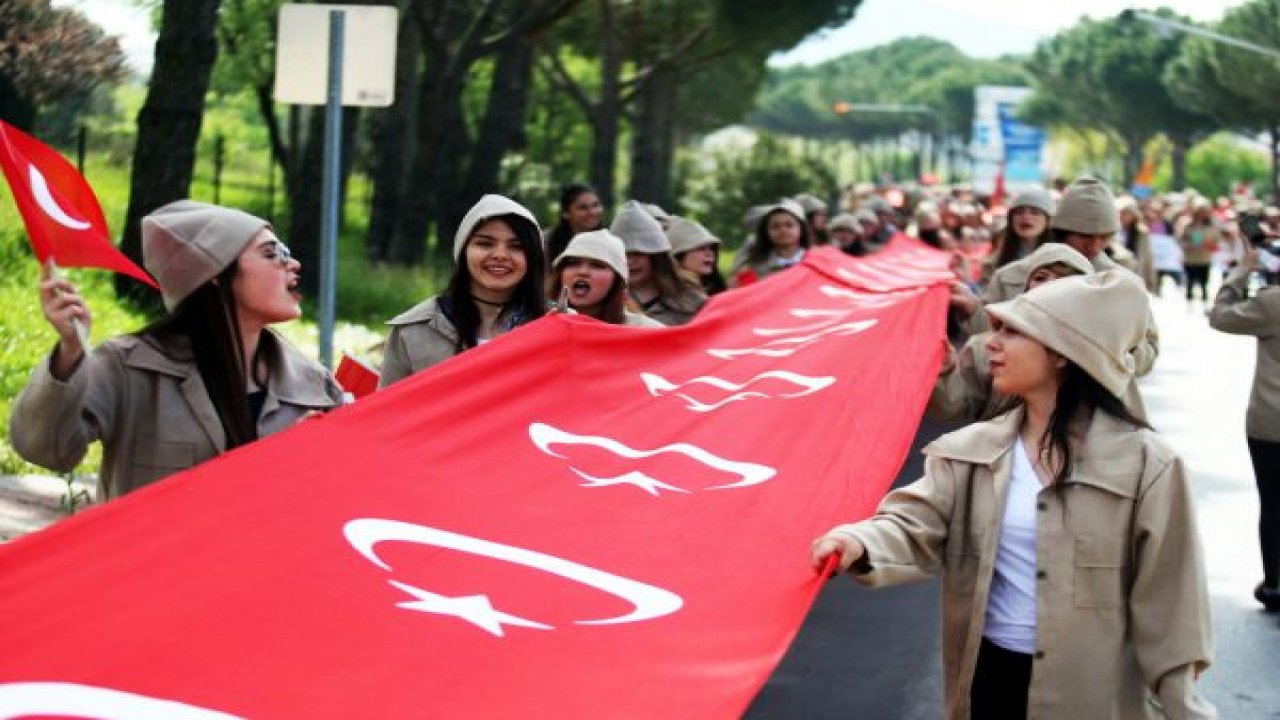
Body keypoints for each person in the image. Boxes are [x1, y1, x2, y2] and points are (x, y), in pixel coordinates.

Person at [811, 271, 1216, 720]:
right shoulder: (972, 450)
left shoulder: (1148, 465)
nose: (990, 343)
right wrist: (860, 543)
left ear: (1063, 353)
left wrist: (1181, 706)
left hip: (1094, 694)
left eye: (1011, 331)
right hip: (987, 680)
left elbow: (1173, 604)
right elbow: (913, 523)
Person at [9, 200, 344, 500]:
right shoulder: (128, 368)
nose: (293, 264)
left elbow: (339, 498)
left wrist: (310, 457)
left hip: (265, 567)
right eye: (272, 254)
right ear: (214, 275)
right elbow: (46, 450)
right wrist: (69, 354)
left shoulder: (315, 387)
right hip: (154, 568)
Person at [381, 194, 547, 386]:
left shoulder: (560, 327)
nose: (500, 255)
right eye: (485, 243)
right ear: (463, 250)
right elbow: (389, 412)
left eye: (517, 246)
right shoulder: (414, 331)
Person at [930, 244, 1093, 423]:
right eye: (1040, 277)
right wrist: (945, 373)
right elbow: (954, 407)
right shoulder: (986, 348)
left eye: (1064, 279)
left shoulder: (1097, 358)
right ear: (1026, 287)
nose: (1049, 285)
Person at [1208, 245, 1280, 612]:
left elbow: (1219, 316)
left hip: (1272, 421)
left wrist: (1241, 271)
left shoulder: (1272, 303)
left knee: (1273, 503)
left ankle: (1275, 582)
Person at [611, 201, 706, 326]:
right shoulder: (600, 302)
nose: (630, 261)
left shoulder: (691, 300)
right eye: (624, 254)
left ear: (657, 257)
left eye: (639, 253)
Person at [548, 230, 662, 327]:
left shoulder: (645, 331)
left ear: (617, 280)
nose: (582, 272)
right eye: (573, 263)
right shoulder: (538, 323)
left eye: (597, 265)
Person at [732, 198, 811, 286]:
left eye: (789, 225)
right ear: (766, 231)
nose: (783, 230)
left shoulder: (815, 260)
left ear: (801, 228)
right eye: (775, 226)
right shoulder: (754, 267)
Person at [982, 188, 1054, 284]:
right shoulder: (995, 260)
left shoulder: (1061, 258)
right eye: (1019, 212)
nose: (1025, 217)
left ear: (1048, 220)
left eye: (1035, 212)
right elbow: (985, 295)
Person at [543, 183, 604, 267]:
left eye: (595, 205)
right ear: (565, 213)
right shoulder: (545, 242)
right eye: (583, 208)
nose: (592, 212)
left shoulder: (609, 242)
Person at [667, 216, 727, 296]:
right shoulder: (671, 294)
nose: (710, 253)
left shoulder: (712, 290)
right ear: (679, 255)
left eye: (712, 248)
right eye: (701, 248)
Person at [1179, 198, 1222, 307]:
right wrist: (1188, 245)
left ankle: (1204, 303)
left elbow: (1217, 241)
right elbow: (1181, 240)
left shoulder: (1212, 225)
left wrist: (1209, 245)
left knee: (1204, 281)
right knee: (1190, 281)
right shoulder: (1187, 224)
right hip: (1190, 258)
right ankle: (1189, 302)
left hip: (1205, 258)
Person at [1117, 197, 1157, 293]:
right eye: (1122, 213)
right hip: (1118, 272)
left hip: (1136, 272)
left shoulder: (1142, 232)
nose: (1125, 216)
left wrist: (1150, 279)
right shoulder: (1112, 232)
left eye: (1127, 213)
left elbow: (1148, 256)